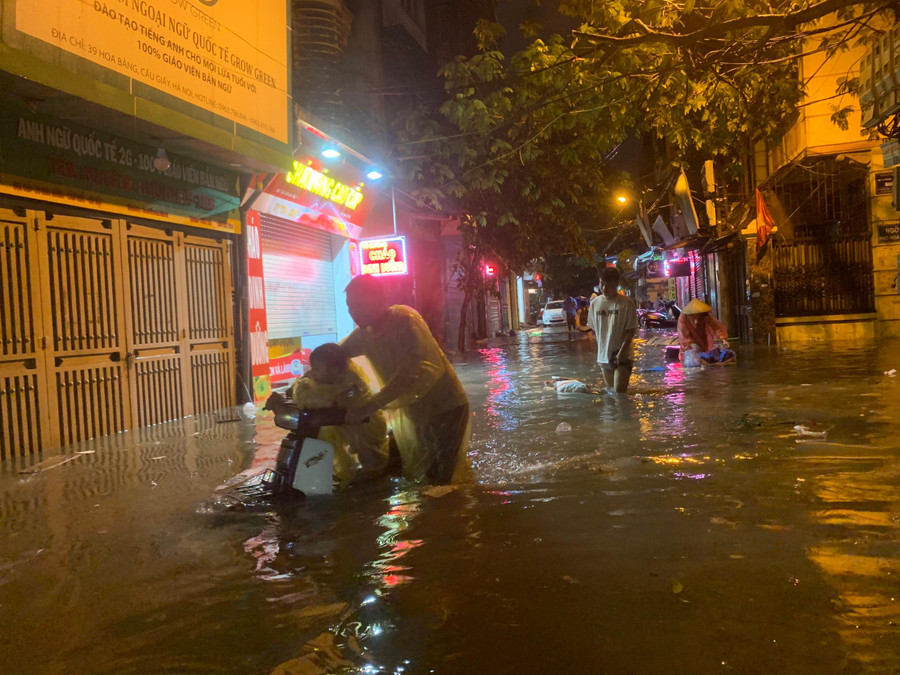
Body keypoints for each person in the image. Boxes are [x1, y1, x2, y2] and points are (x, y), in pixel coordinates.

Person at [341, 275, 470, 483]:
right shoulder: (364, 334)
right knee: (421, 476)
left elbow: (409, 373)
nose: (353, 311)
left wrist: (369, 406)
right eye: (349, 305)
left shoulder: (405, 321)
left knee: (443, 481)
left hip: (446, 408)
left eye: (359, 304)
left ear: (379, 298)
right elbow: (332, 357)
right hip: (415, 414)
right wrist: (301, 388)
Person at [291, 343, 389, 484]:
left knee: (369, 463)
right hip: (346, 424)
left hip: (365, 425)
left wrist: (307, 395)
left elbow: (336, 398)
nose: (314, 373)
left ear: (335, 369)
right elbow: (306, 383)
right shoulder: (327, 377)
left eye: (317, 368)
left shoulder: (351, 381)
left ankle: (373, 489)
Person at [587, 267, 638, 394]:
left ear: (615, 284)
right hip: (604, 356)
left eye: (607, 285)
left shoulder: (627, 303)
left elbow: (631, 331)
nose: (603, 288)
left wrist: (621, 353)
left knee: (619, 393)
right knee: (611, 393)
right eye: (601, 284)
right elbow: (594, 329)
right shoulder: (594, 304)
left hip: (623, 356)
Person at [676, 298, 735, 365]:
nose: (696, 317)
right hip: (689, 345)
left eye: (698, 314)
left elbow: (716, 327)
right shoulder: (683, 319)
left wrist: (723, 339)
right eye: (693, 315)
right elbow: (683, 336)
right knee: (690, 361)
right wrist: (691, 343)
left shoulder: (705, 316)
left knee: (705, 358)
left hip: (703, 338)